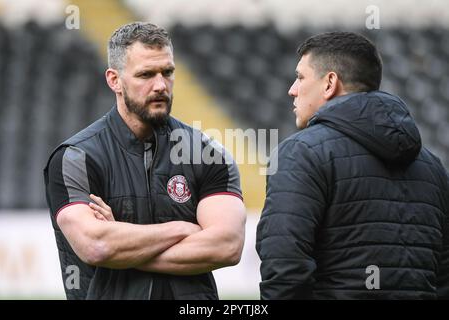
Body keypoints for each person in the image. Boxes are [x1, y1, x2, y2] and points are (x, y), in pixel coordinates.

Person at [44, 22, 246, 300]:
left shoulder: (207, 153)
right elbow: (96, 246)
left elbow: (227, 246)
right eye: (146, 75)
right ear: (114, 80)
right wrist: (183, 229)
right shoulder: (76, 157)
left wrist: (123, 244)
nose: (160, 85)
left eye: (168, 72)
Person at [256, 31, 449, 299]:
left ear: (329, 83)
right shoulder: (433, 167)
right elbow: (442, 276)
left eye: (300, 77)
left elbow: (285, 268)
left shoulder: (300, 152)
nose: (292, 89)